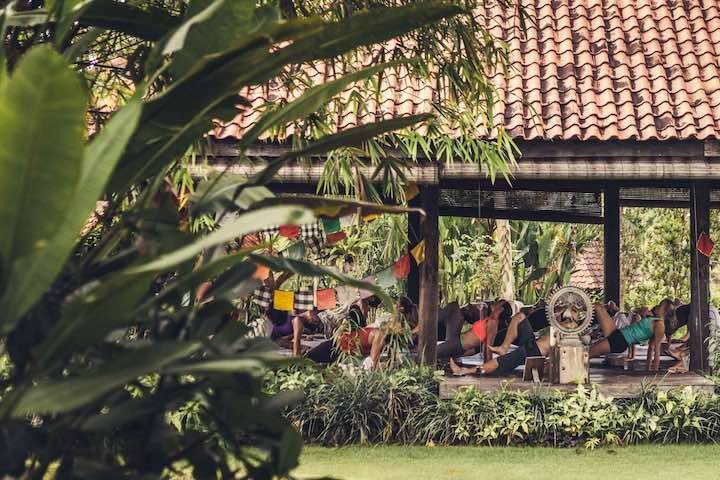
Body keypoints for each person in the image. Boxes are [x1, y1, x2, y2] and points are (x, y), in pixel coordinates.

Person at [590, 299, 674, 371]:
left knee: (586, 354)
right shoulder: (655, 319)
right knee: (598, 306)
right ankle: (578, 312)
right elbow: (650, 348)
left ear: (665, 311)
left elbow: (655, 350)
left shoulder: (660, 326)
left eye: (660, 306)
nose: (658, 306)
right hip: (618, 333)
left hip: (620, 341)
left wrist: (654, 372)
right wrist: (647, 369)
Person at [436, 300, 510, 360]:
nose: (494, 303)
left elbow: (487, 347)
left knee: (430, 353)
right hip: (457, 342)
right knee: (453, 305)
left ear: (501, 309)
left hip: (459, 345)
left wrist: (487, 367)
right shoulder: (489, 319)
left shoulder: (493, 322)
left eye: (498, 303)